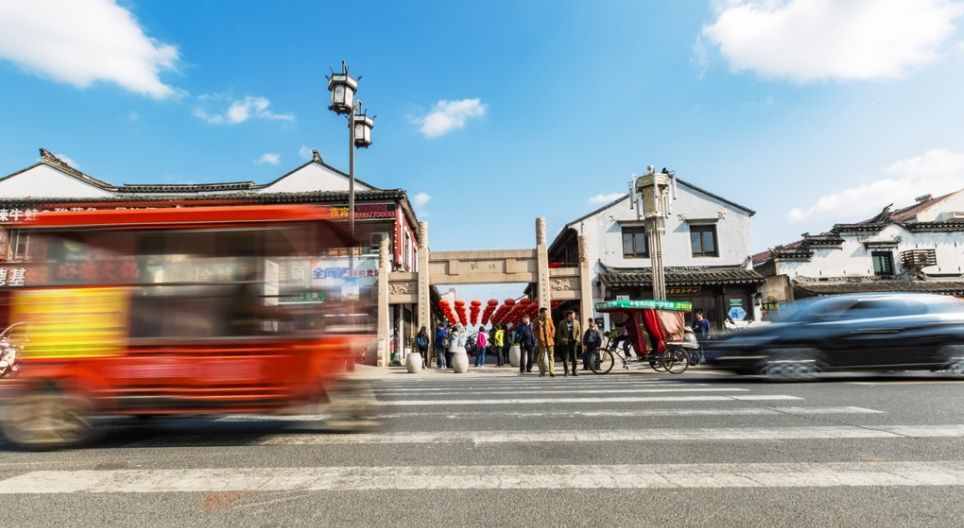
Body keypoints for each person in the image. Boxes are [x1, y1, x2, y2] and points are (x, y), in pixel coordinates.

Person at [555, 310, 582, 376]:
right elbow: (559, 333)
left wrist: (577, 339)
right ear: (569, 315)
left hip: (574, 342)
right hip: (565, 342)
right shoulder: (562, 322)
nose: (574, 316)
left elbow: (579, 332)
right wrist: (562, 339)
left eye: (574, 315)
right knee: (565, 358)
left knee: (574, 358)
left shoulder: (576, 322)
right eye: (573, 315)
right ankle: (566, 371)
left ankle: (574, 371)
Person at [534, 307, 556, 377]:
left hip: (549, 341)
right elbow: (534, 330)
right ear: (541, 313)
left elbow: (553, 328)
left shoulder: (549, 320)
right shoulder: (536, 320)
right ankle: (542, 372)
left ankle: (551, 372)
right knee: (541, 357)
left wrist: (552, 335)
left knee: (551, 357)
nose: (546, 314)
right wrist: (538, 337)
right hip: (541, 341)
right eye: (545, 313)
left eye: (547, 312)